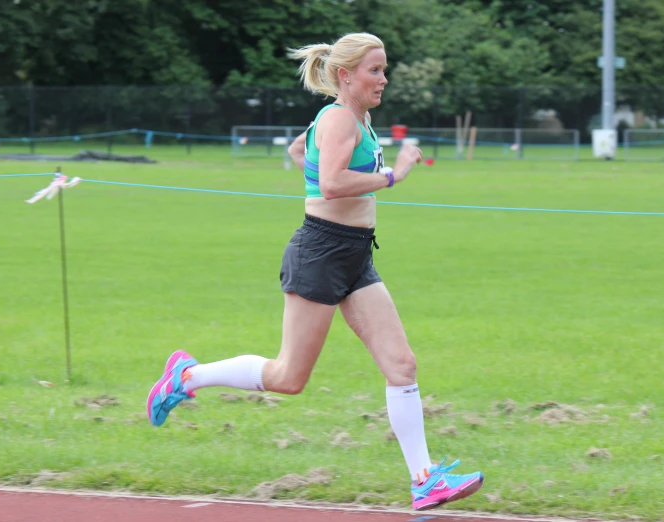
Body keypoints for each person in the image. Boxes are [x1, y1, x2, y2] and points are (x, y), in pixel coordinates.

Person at [146, 32, 484, 511]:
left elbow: (299, 154)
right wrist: (394, 176)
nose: (383, 79)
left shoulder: (355, 120)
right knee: (289, 377)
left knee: (401, 365)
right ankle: (187, 376)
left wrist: (315, 160)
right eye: (375, 70)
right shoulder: (341, 118)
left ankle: (424, 480)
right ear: (346, 75)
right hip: (321, 253)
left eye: (384, 69)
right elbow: (330, 184)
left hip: (354, 255)